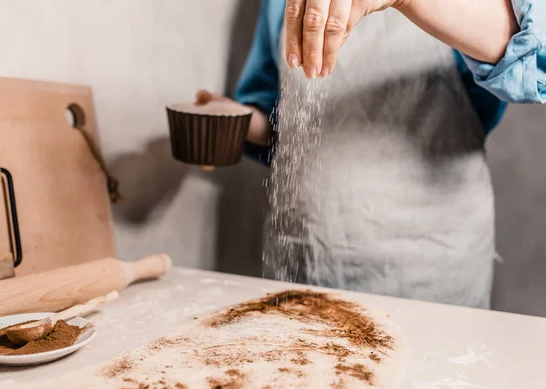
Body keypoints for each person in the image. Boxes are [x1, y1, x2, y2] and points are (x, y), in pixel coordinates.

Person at [196, 0, 545, 308]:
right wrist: (236, 123)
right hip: (304, 259)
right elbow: (283, 120)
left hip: (429, 272)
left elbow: (531, 57)